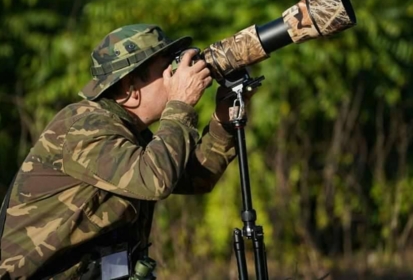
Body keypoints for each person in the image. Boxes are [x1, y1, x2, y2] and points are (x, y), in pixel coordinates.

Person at [0, 24, 245, 279]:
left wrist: (224, 121)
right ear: (130, 88)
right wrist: (180, 104)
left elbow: (197, 177)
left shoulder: (130, 132)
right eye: (167, 70)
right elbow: (155, 180)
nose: (176, 77)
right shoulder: (85, 126)